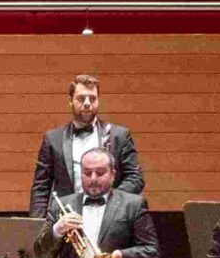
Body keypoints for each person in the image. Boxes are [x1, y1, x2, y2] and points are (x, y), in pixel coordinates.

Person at [31, 73, 144, 216]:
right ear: (70, 101)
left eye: (92, 98)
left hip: (111, 220)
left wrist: (110, 200)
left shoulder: (119, 136)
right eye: (80, 98)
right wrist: (36, 229)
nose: (87, 103)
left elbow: (135, 178)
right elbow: (41, 187)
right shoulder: (53, 139)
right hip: (67, 220)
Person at [44, 147, 159, 258]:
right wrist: (57, 230)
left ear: (112, 175)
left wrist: (121, 257)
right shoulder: (60, 205)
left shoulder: (133, 204)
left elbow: (151, 250)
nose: (93, 179)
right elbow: (42, 254)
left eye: (100, 173)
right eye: (87, 173)